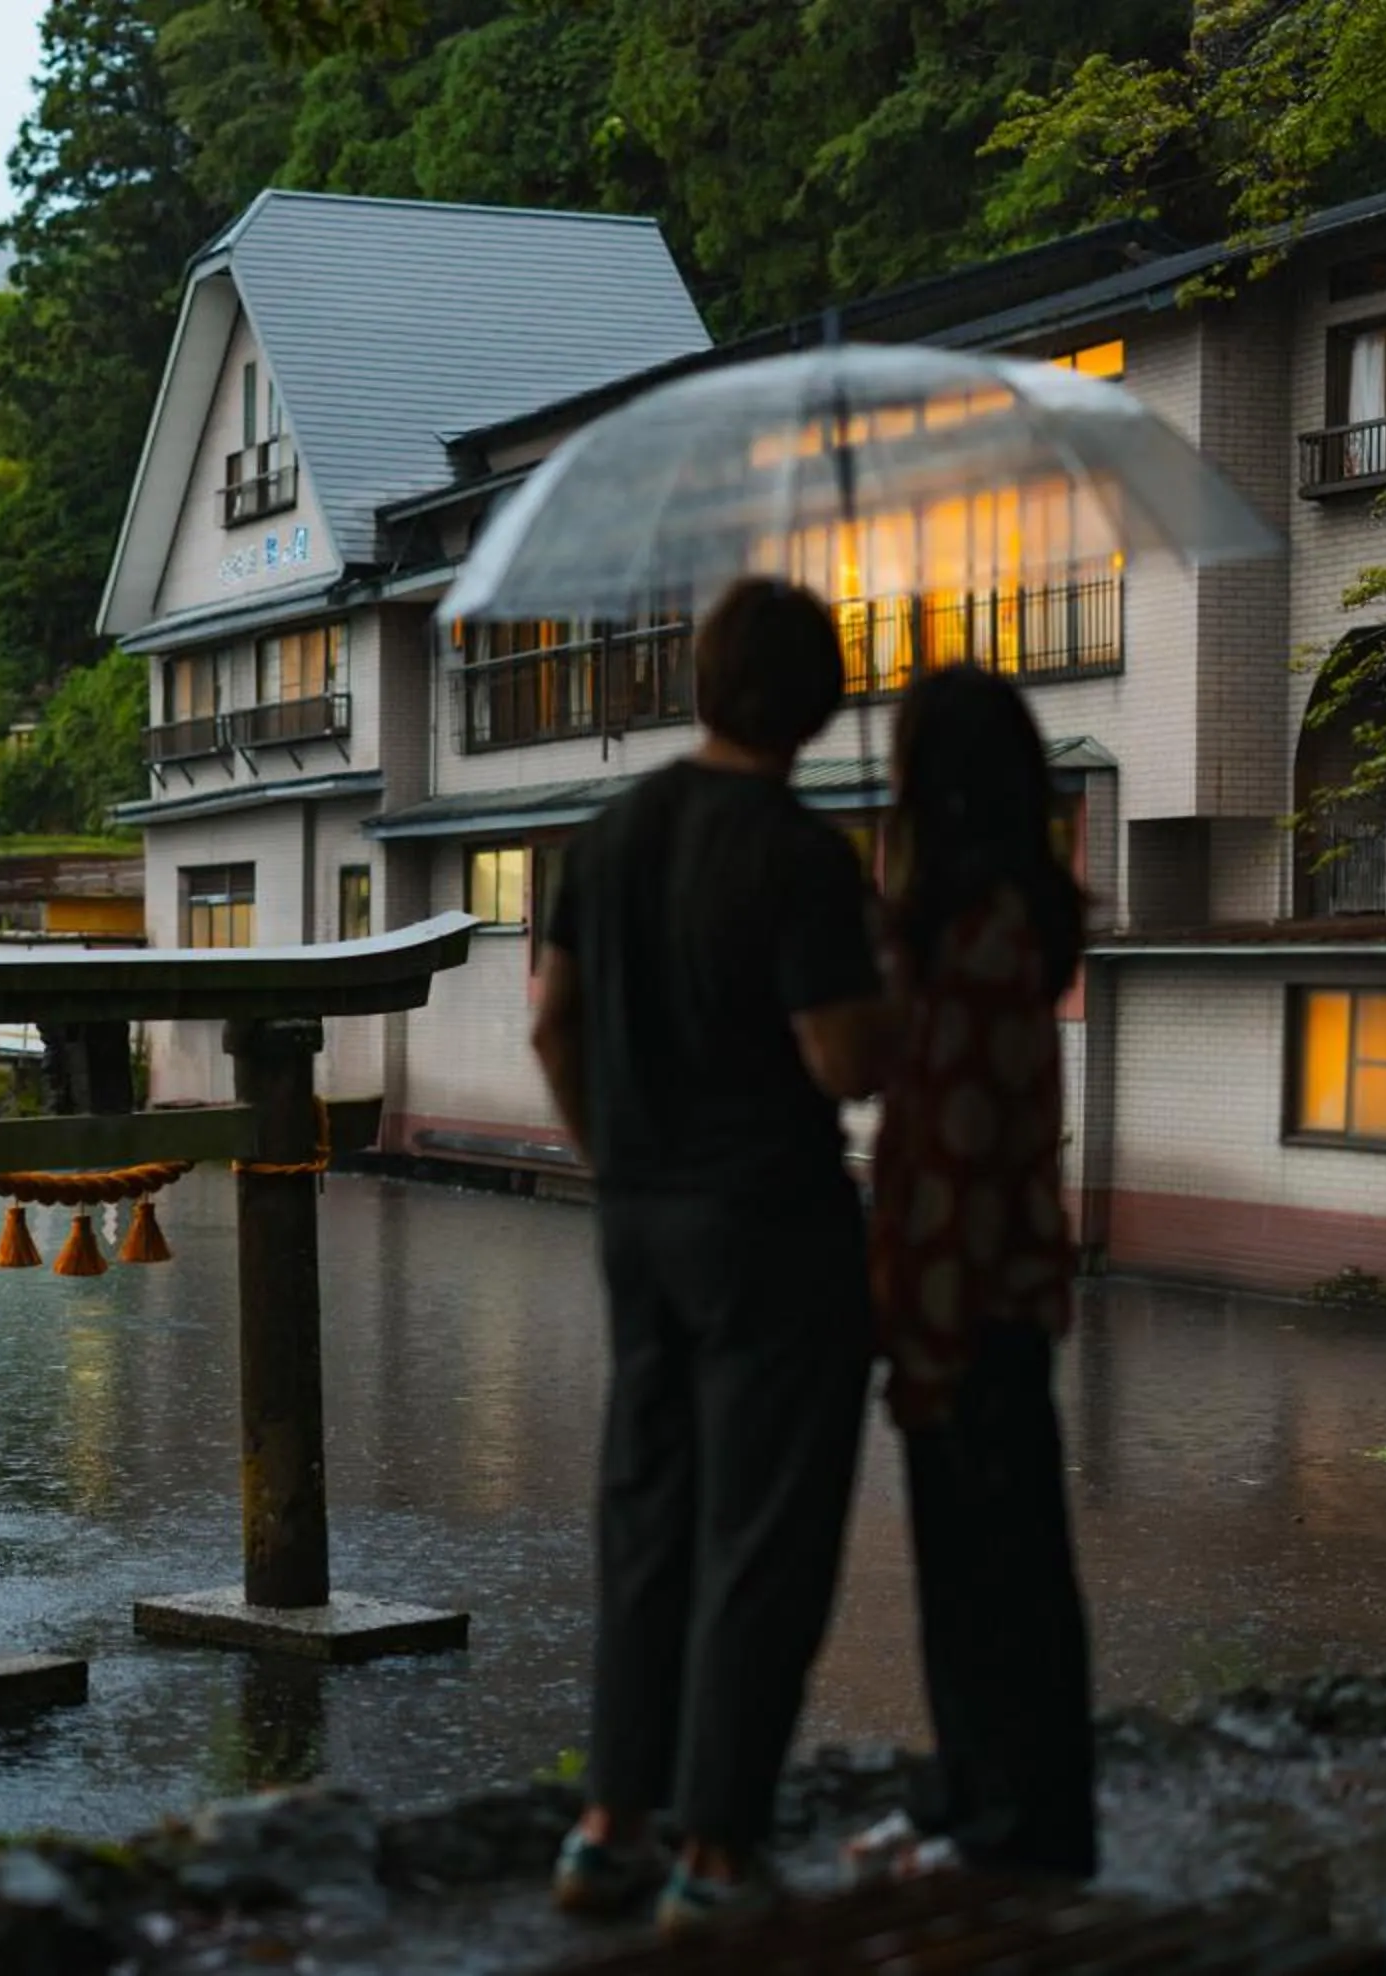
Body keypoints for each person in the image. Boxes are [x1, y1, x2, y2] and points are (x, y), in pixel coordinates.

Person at [529, 576, 894, 1930]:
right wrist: (892, 985)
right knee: (765, 1532)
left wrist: (614, 1161)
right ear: (820, 704)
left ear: (697, 688)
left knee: (647, 1514)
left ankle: (609, 1823)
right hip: (776, 1232)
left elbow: (552, 1026)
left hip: (641, 1220)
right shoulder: (800, 857)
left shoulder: (608, 836)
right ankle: (718, 1852)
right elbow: (842, 1061)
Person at [863, 663, 1097, 1882]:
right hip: (992, 1289)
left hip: (966, 1299)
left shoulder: (980, 935)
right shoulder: (995, 918)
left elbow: (951, 1146)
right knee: (975, 1562)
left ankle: (1019, 1822)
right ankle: (972, 1796)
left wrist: (924, 1330)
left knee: (995, 1570)